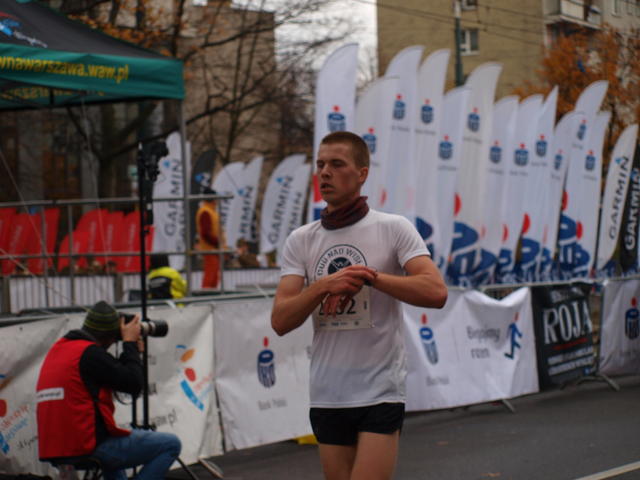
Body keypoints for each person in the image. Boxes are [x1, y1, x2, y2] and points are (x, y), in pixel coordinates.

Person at [271, 131, 448, 480]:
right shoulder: (301, 239)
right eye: (321, 164)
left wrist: (371, 278)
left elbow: (435, 291)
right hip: (328, 391)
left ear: (362, 173)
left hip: (380, 389)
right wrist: (323, 286)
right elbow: (280, 319)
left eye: (337, 164)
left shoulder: (393, 228)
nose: (325, 173)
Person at [36, 301, 181, 479]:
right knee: (170, 444)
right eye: (114, 338)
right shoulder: (90, 353)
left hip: (55, 448)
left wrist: (131, 351)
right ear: (109, 335)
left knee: (113, 457)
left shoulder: (62, 348)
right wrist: (129, 343)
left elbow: (114, 373)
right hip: (85, 445)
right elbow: (133, 384)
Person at [195, 188, 225, 288]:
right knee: (210, 277)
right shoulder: (206, 212)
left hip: (213, 249)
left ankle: (209, 294)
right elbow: (205, 233)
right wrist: (218, 243)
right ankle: (206, 295)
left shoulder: (210, 211)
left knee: (214, 277)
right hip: (210, 249)